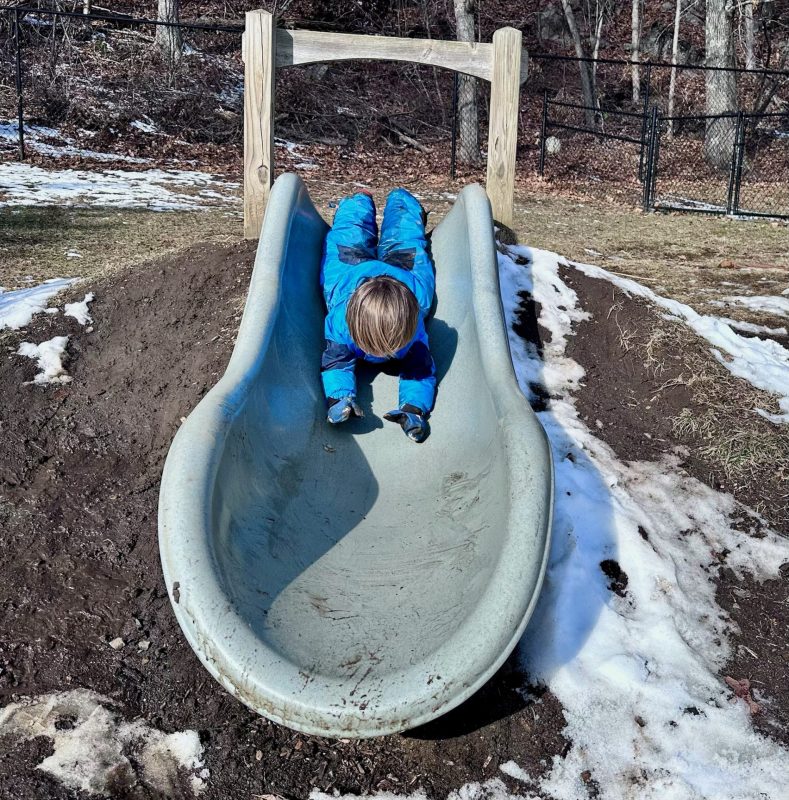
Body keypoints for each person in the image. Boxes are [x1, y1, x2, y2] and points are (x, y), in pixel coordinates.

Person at [320, 188, 436, 443]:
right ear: (354, 331)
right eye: (374, 347)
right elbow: (336, 363)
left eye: (390, 348)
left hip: (407, 280)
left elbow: (420, 371)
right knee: (346, 236)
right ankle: (356, 201)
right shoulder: (341, 324)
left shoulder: (412, 326)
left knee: (407, 238)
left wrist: (414, 409)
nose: (382, 355)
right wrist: (339, 398)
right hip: (348, 276)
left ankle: (403, 201)